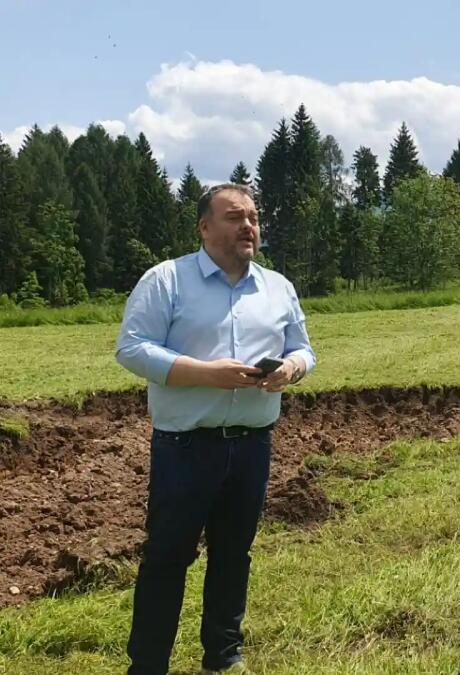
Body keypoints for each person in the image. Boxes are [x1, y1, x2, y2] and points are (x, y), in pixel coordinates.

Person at [115, 183, 316, 675]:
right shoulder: (167, 280)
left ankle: (223, 657)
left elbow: (303, 348)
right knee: (167, 556)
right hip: (185, 447)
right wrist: (207, 373)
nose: (248, 226)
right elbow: (132, 348)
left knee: (233, 554)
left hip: (252, 445)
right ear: (204, 227)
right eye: (234, 217)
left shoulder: (278, 287)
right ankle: (148, 665)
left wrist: (291, 369)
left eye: (253, 218)